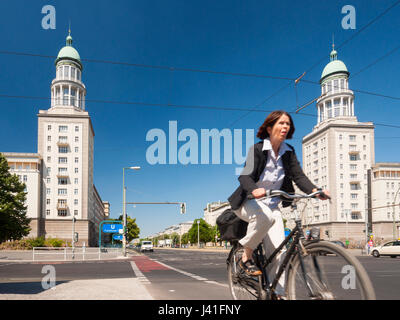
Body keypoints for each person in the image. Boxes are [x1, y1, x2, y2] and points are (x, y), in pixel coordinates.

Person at [228, 110, 330, 297]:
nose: (285, 127)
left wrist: (315, 190)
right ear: (269, 127)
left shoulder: (288, 152)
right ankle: (245, 257)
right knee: (264, 216)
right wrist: (254, 189)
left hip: (272, 206)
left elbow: (299, 176)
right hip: (248, 202)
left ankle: (278, 293)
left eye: (288, 124)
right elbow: (244, 176)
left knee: (279, 252)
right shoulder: (257, 150)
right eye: (281, 123)